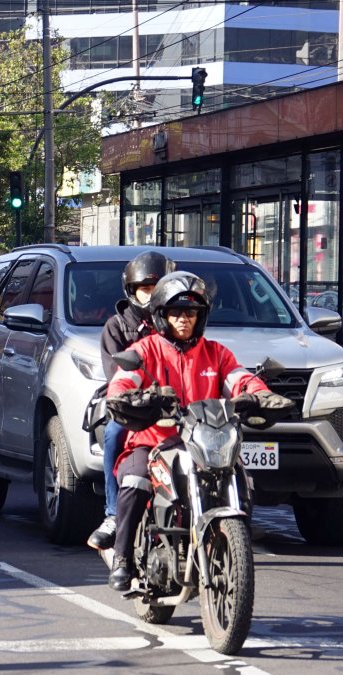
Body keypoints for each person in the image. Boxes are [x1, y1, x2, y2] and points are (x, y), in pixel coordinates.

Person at [104, 271, 290, 591]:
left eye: (191, 313)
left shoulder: (216, 353)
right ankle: (122, 558)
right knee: (135, 480)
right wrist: (138, 397)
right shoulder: (145, 350)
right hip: (153, 441)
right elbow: (122, 382)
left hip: (203, 440)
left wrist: (261, 394)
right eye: (176, 313)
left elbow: (239, 378)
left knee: (240, 476)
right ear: (162, 315)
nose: (183, 319)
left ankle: (233, 540)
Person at [86, 250, 169, 551]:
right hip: (133, 406)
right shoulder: (117, 326)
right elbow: (117, 376)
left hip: (174, 406)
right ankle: (112, 514)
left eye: (157, 289)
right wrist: (141, 396)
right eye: (145, 289)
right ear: (132, 291)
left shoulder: (177, 323)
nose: (151, 295)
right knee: (115, 432)